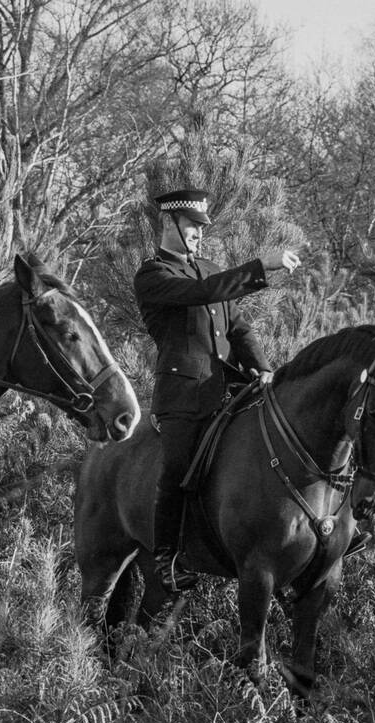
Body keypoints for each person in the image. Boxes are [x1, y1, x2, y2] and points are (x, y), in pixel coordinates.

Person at [135, 188, 300, 593]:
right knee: (177, 470)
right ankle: (166, 559)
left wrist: (261, 367)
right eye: (192, 225)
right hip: (183, 396)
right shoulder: (154, 275)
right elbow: (201, 294)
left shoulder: (210, 267)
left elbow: (239, 328)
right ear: (168, 223)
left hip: (231, 389)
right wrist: (263, 266)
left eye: (200, 227)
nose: (198, 234)